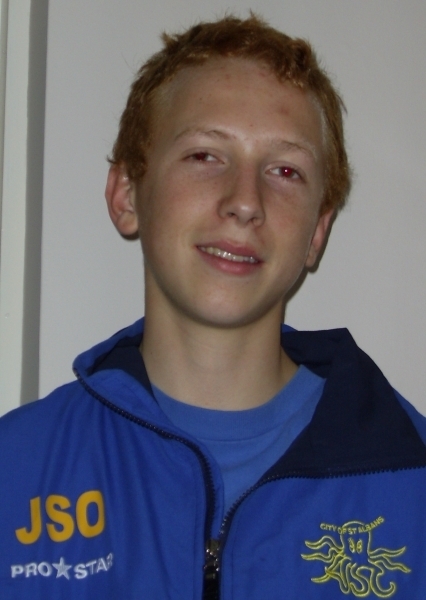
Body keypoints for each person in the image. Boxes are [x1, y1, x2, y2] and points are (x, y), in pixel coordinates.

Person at [1, 14, 426, 599]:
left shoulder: (410, 479)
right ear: (127, 194)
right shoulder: (15, 472)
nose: (245, 202)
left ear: (317, 232)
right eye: (205, 155)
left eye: (285, 170)